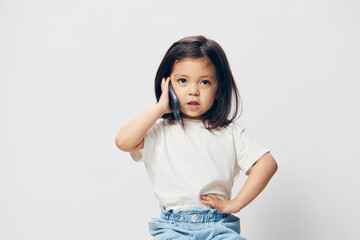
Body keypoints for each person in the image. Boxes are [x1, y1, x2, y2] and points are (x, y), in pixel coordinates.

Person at [115, 35, 278, 240]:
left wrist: (236, 203)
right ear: (167, 84)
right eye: (182, 81)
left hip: (219, 225)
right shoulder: (158, 131)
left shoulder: (228, 132)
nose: (193, 91)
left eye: (205, 82)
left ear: (219, 89)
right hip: (172, 228)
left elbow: (267, 163)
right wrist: (160, 108)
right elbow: (123, 141)